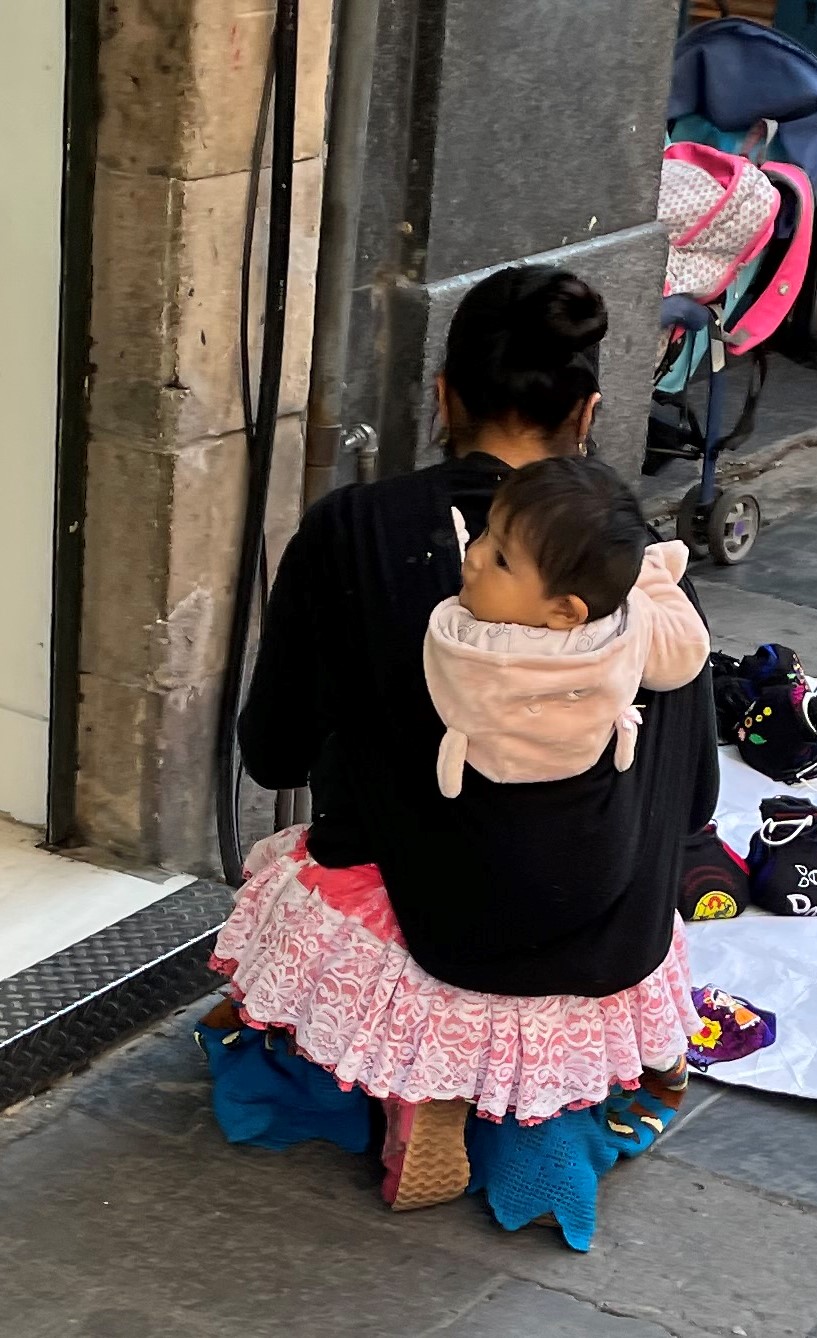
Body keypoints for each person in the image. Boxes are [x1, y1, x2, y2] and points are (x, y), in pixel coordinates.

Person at [207, 265, 720, 1222]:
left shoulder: (354, 528)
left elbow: (272, 753)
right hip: (610, 937)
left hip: (431, 918)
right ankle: (547, 1100)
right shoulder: (637, 562)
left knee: (323, 866)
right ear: (589, 413)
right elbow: (692, 799)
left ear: (442, 398)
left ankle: (420, 1078)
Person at [426, 456, 710, 796]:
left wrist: (644, 584)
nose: (474, 555)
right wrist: (643, 588)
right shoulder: (622, 633)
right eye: (486, 531)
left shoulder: (468, 643)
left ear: (564, 610)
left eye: (501, 559)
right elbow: (685, 655)